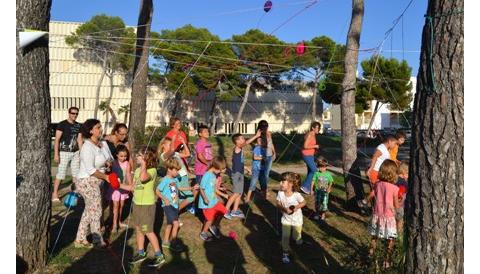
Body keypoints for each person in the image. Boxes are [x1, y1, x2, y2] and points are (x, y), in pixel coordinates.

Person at [123, 147, 166, 268]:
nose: (136, 156)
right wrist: (117, 185)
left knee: (147, 230)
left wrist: (144, 165)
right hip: (137, 204)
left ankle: (159, 255)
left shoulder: (152, 171)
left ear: (146, 158)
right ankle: (141, 252)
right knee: (138, 228)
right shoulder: (137, 171)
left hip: (147, 205)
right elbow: (133, 187)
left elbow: (143, 178)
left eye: (139, 155)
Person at [74, 119, 112, 248]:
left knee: (89, 211)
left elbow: (107, 160)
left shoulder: (99, 145)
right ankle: (97, 240)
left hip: (97, 181)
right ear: (90, 131)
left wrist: (106, 164)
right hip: (87, 182)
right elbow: (90, 170)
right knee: (96, 211)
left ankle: (80, 239)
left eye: (100, 126)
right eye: (97, 127)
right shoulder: (87, 147)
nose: (101, 129)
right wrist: (106, 177)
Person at [368, 160, 400, 269]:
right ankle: (387, 260)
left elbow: (373, 194)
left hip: (377, 215)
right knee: (391, 239)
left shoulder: (377, 184)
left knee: (374, 236)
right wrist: (400, 204)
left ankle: (371, 254)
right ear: (394, 174)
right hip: (389, 217)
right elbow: (396, 204)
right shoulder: (395, 188)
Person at [224, 131, 261, 219]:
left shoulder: (240, 150)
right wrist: (256, 136)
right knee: (236, 193)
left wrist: (246, 168)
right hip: (237, 175)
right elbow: (245, 143)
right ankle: (225, 210)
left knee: (239, 193)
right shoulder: (237, 147)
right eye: (242, 138)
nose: (244, 139)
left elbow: (239, 162)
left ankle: (234, 211)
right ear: (237, 141)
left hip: (240, 173)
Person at [158, 137, 199, 214]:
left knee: (178, 196)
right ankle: (175, 211)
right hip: (177, 177)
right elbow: (172, 150)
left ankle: (175, 212)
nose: (171, 146)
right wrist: (173, 139)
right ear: (163, 145)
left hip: (183, 176)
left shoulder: (175, 153)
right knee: (189, 197)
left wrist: (183, 142)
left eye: (171, 145)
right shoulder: (164, 155)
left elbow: (188, 154)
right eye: (169, 145)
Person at [52, 107, 83, 202]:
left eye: (76, 113)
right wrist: (56, 154)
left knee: (76, 174)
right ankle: (55, 194)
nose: (75, 115)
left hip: (76, 152)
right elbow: (57, 140)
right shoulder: (62, 124)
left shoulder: (79, 125)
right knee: (61, 174)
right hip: (64, 152)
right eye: (73, 113)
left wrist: (81, 153)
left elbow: (79, 140)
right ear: (69, 113)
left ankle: (74, 194)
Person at [276, 172, 306, 264]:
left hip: (297, 220)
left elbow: (304, 202)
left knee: (296, 237)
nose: (280, 183)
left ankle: (298, 239)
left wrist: (296, 207)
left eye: (283, 181)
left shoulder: (296, 195)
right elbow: (277, 203)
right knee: (285, 236)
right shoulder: (280, 193)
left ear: (290, 184)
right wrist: (284, 209)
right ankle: (285, 253)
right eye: (280, 181)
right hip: (286, 220)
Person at [156, 158, 185, 252]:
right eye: (176, 170)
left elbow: (179, 188)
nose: (177, 172)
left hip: (175, 205)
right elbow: (157, 191)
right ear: (169, 169)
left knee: (169, 224)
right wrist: (165, 199)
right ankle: (173, 243)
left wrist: (191, 188)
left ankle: (165, 241)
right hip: (168, 206)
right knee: (176, 224)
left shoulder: (174, 179)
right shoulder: (165, 180)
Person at [198, 156, 228, 241]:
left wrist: (223, 194)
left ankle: (214, 226)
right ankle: (203, 233)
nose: (221, 172)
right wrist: (204, 198)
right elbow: (201, 188)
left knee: (224, 211)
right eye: (220, 170)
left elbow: (214, 189)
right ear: (214, 167)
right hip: (207, 204)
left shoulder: (214, 175)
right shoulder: (207, 175)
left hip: (214, 201)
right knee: (209, 219)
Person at [106, 145, 133, 233]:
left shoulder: (127, 163)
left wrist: (130, 185)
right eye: (121, 156)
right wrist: (108, 167)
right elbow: (109, 172)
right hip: (115, 189)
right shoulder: (113, 163)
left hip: (124, 188)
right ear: (117, 155)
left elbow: (128, 174)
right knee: (115, 206)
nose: (123, 158)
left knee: (121, 206)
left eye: (125, 156)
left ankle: (119, 221)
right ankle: (114, 225)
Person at [300, 122, 321, 195]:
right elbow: (305, 146)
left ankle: (308, 188)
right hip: (306, 155)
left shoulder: (313, 134)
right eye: (317, 127)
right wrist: (315, 146)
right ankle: (304, 186)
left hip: (311, 155)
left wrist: (314, 149)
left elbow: (310, 145)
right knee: (314, 170)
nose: (319, 129)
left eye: (319, 127)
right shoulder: (310, 134)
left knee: (310, 171)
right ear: (313, 128)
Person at [257, 120, 276, 199]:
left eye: (266, 126)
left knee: (267, 174)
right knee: (263, 174)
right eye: (264, 127)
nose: (266, 128)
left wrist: (274, 152)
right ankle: (263, 190)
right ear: (260, 128)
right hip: (263, 156)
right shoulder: (259, 136)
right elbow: (260, 146)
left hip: (270, 155)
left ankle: (265, 189)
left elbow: (271, 144)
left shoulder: (269, 133)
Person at [245, 137, 266, 203]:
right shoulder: (256, 148)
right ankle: (248, 198)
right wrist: (262, 158)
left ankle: (264, 198)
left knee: (263, 184)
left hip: (262, 169)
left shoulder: (264, 149)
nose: (260, 142)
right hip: (256, 169)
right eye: (258, 141)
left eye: (261, 141)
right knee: (253, 183)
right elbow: (254, 157)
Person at [395, 162, 409, 236]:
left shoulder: (393, 178)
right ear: (404, 172)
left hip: (390, 204)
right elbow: (407, 191)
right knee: (400, 220)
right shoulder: (404, 182)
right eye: (407, 174)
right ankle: (399, 235)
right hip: (399, 205)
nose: (408, 176)